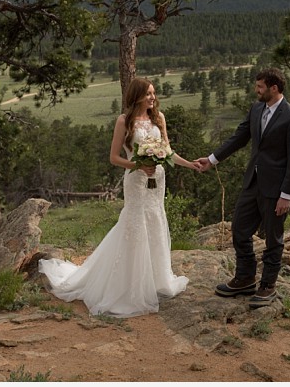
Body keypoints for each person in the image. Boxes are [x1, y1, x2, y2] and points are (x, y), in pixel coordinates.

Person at [38, 77, 200, 317]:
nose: (153, 98)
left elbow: (167, 151)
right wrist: (137, 165)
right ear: (136, 96)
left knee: (155, 220)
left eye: (154, 93)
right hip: (136, 180)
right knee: (134, 224)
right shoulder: (124, 121)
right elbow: (114, 157)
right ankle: (129, 284)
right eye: (148, 94)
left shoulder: (159, 118)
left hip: (157, 180)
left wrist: (189, 164)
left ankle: (157, 280)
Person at [196, 67, 290, 307]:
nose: (256, 91)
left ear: (274, 88)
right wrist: (212, 159)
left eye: (260, 87)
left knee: (273, 239)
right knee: (239, 229)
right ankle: (245, 278)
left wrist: (287, 195)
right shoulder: (257, 109)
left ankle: (268, 286)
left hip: (277, 190)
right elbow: (239, 138)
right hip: (252, 183)